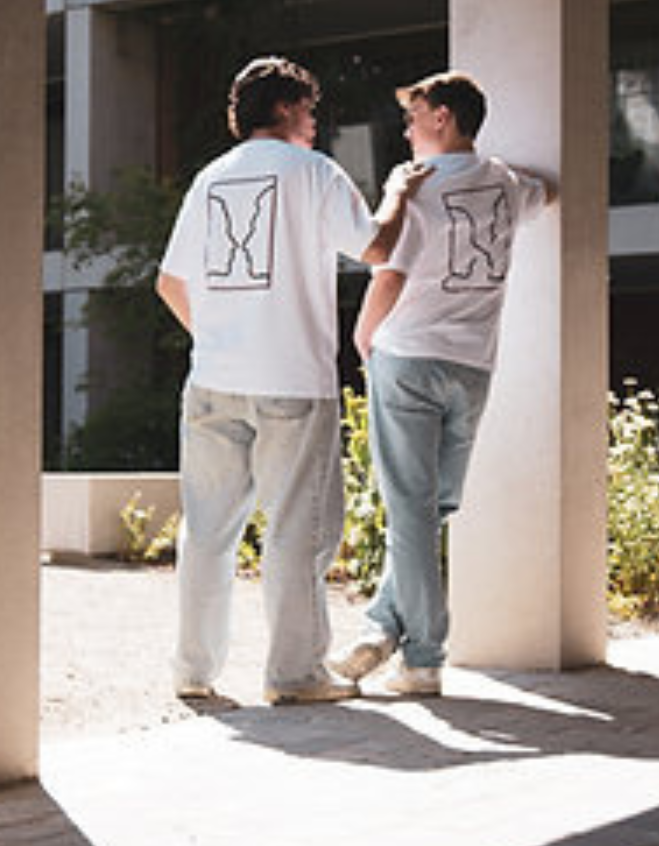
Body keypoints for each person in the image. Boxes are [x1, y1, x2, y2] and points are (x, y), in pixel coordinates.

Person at [156, 56, 429, 705]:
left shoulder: (209, 179)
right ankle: (294, 673)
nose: (314, 125)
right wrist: (399, 192)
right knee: (299, 530)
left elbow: (169, 283)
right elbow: (376, 248)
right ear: (285, 110)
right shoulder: (314, 174)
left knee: (208, 528)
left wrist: (223, 339)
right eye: (309, 112)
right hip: (292, 383)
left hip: (213, 381)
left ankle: (193, 671)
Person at [330, 71, 555, 696]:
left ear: (445, 118)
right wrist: (501, 180)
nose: (405, 129)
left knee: (411, 511)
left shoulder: (417, 190)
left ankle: (423, 658)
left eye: (414, 116)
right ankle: (381, 628)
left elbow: (388, 274)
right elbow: (551, 191)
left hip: (407, 357)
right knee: (431, 510)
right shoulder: (508, 184)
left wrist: (360, 335)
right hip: (473, 367)